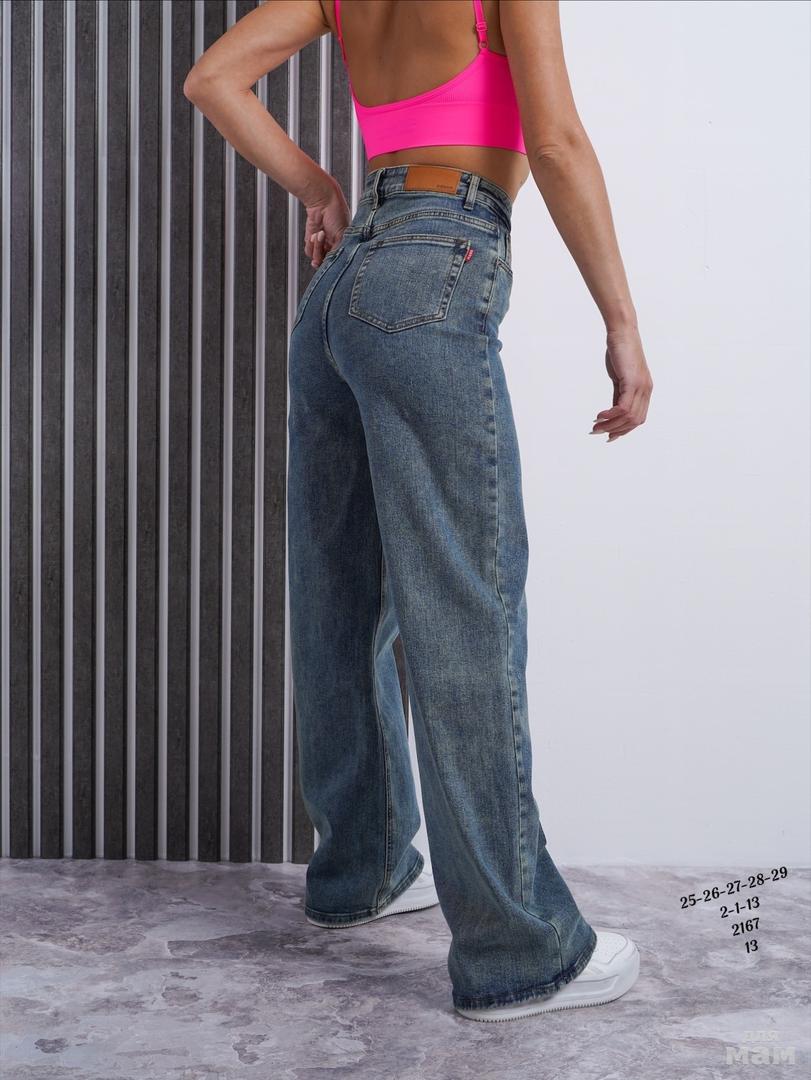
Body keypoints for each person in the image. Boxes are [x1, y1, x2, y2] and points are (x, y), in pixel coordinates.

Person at [184, 0, 652, 1021]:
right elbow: (555, 141)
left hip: (341, 286)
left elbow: (212, 78)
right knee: (466, 607)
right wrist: (620, 322)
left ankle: (361, 873)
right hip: (437, 266)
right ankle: (519, 952)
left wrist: (319, 187)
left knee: (341, 598)